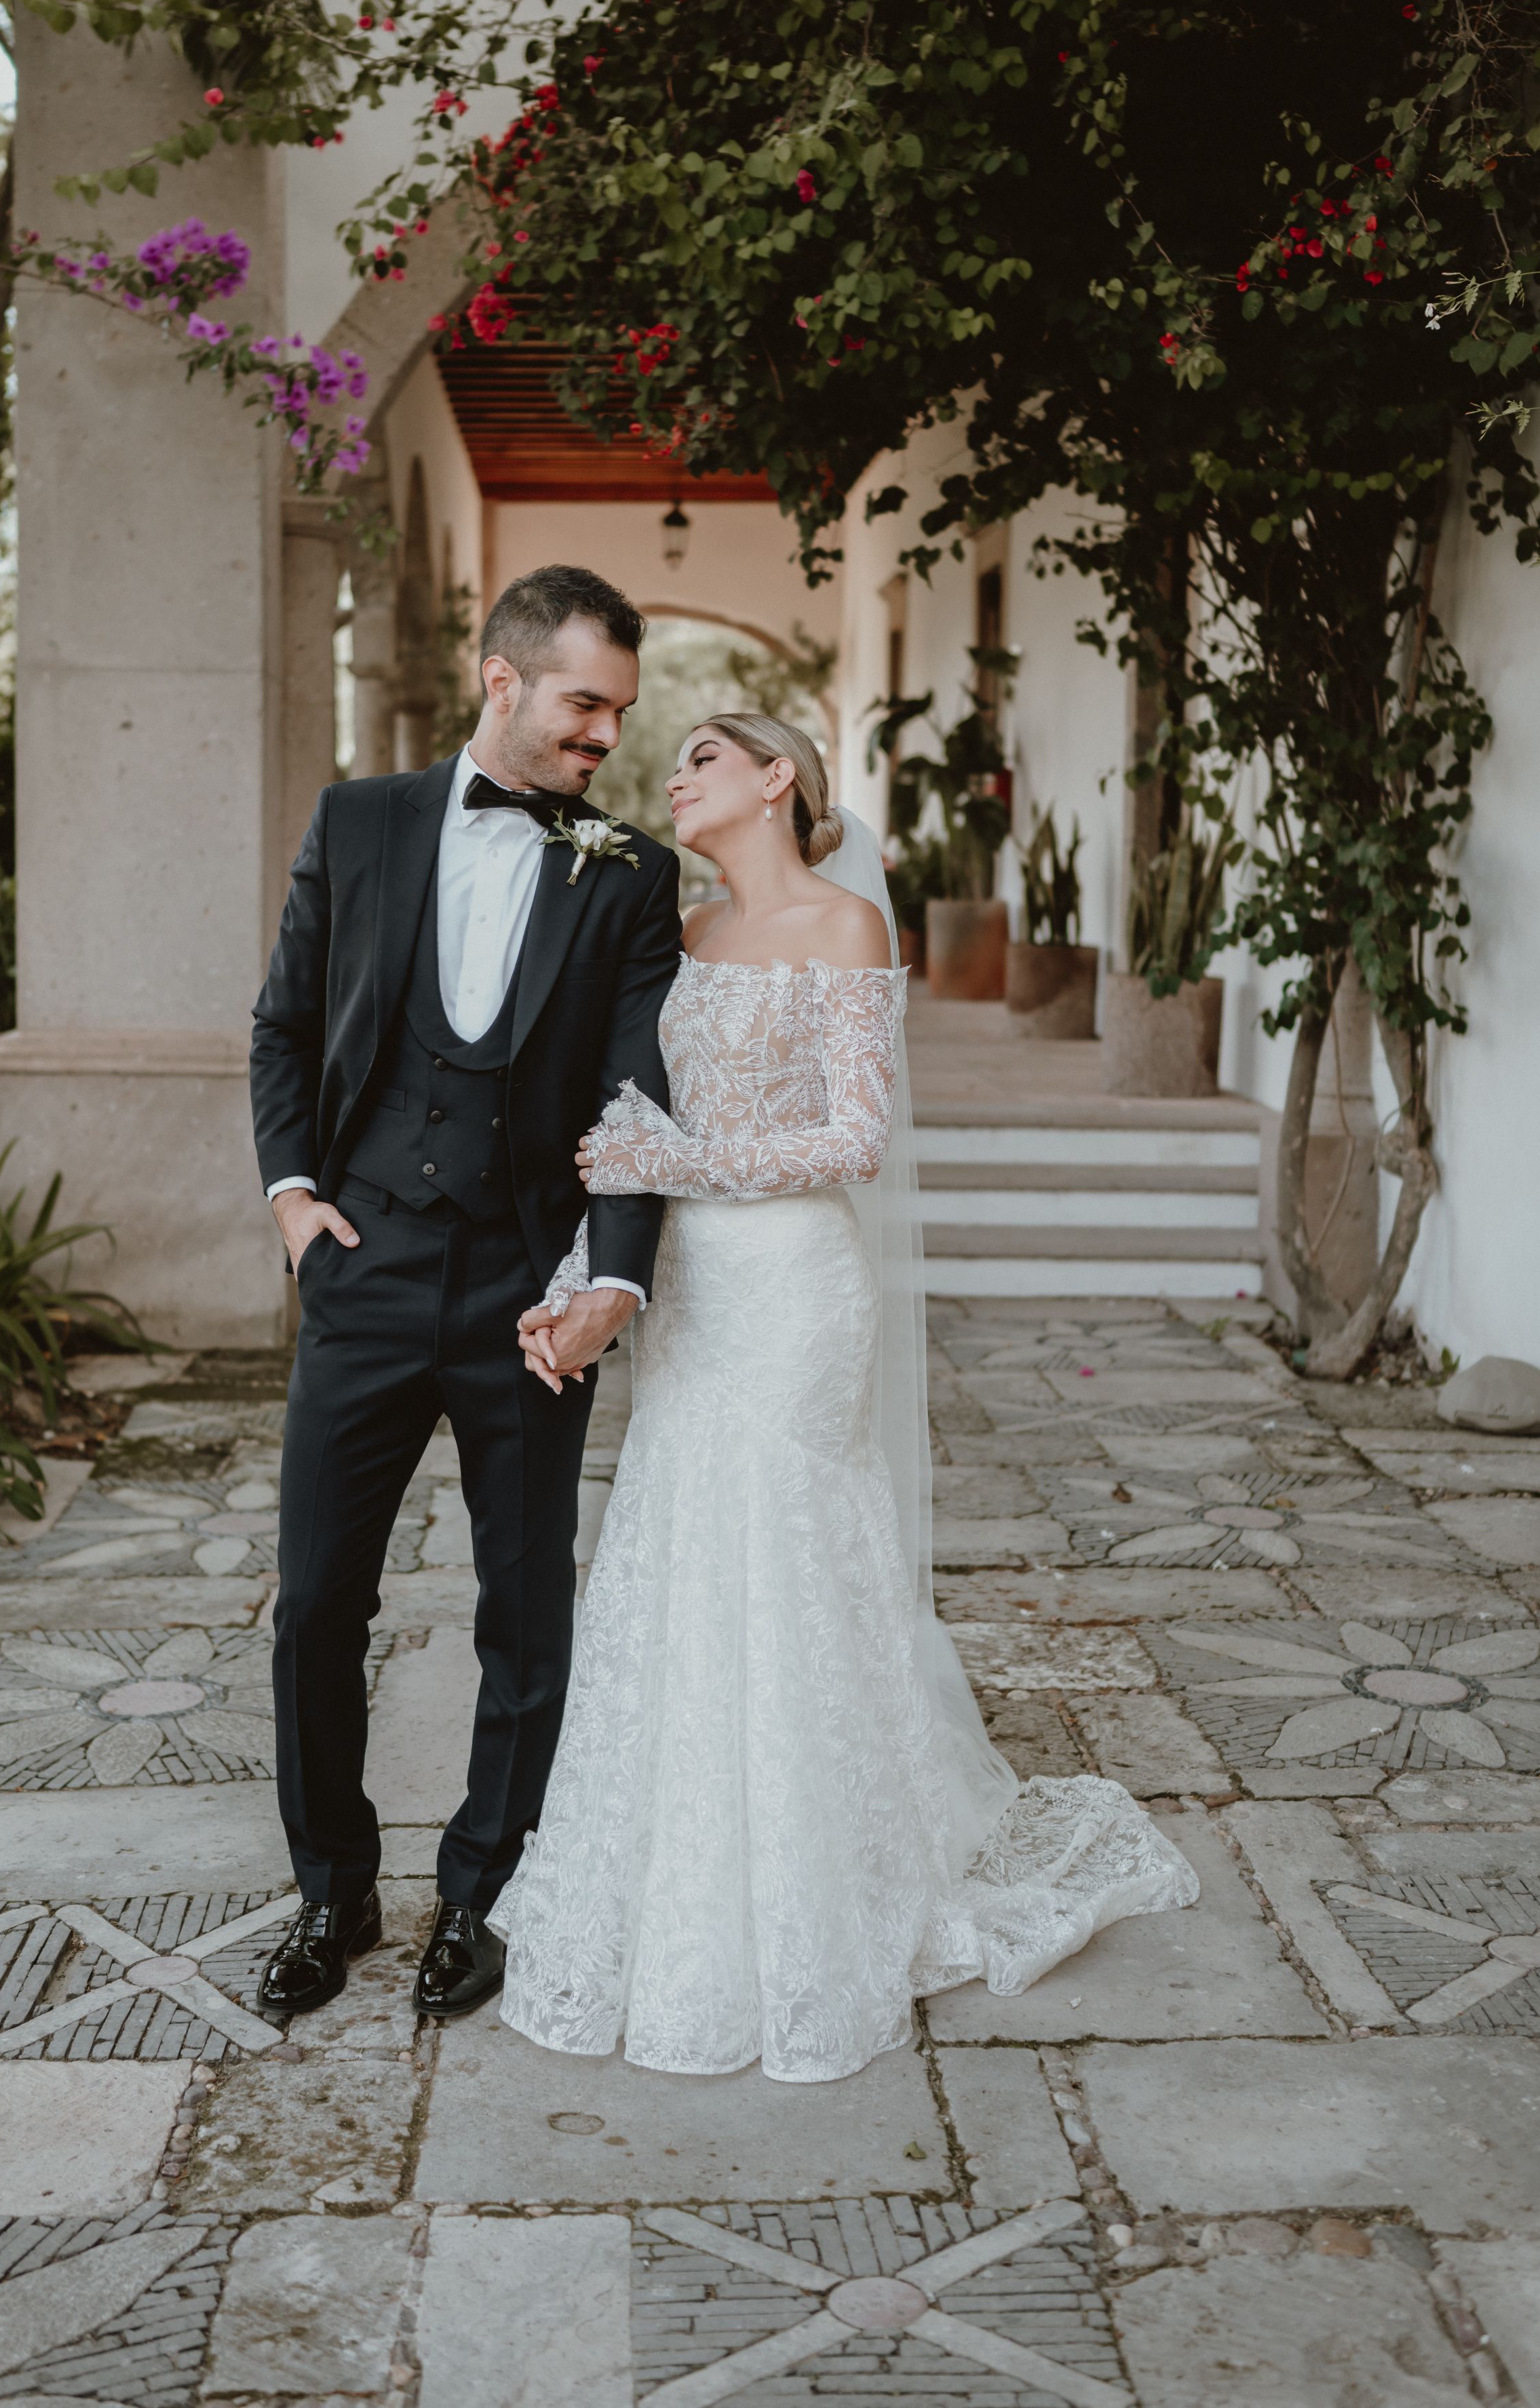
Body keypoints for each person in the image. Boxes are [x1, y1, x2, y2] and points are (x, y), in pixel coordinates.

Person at [497, 712, 1198, 2082]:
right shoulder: (681, 934)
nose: (673, 775)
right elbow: (630, 1133)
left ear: (779, 779)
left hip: (793, 1291)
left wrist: (681, 1162)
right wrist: (583, 1282)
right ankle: (683, 1877)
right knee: (684, 1553)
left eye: (704, 756)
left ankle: (825, 1886)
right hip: (688, 1292)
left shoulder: (842, 925)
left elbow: (854, 1136)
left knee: (788, 1559)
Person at [248, 565, 681, 2023]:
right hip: (362, 1270)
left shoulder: (629, 871)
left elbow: (636, 1090)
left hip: (527, 1289)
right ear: (502, 680)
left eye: (618, 713)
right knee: (317, 1600)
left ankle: (484, 1892)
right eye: (583, 704)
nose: (604, 736)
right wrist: (294, 1201)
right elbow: (285, 1022)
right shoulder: (358, 821)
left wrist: (612, 1275)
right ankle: (332, 1888)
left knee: (526, 1606)